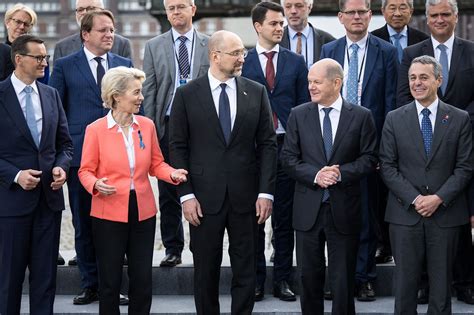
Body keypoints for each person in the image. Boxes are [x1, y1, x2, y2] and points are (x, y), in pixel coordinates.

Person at [169, 30, 277, 315]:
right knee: (205, 270)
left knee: (246, 268)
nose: (242, 58)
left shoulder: (256, 91)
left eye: (243, 52)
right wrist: (186, 195)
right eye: (236, 53)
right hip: (202, 200)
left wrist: (266, 192)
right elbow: (177, 148)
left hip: (248, 198)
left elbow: (267, 145)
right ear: (215, 56)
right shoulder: (186, 94)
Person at [78, 66, 187, 314]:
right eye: (136, 92)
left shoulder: (146, 126)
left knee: (142, 279)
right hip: (107, 213)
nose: (141, 97)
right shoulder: (95, 130)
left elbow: (156, 164)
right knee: (109, 281)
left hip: (143, 212)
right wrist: (95, 184)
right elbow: (85, 171)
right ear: (116, 96)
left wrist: (172, 174)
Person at [49, 10, 133, 306]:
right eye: (103, 31)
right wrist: (60, 155)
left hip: (120, 157)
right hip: (81, 157)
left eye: (112, 30)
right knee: (84, 222)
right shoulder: (64, 65)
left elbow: (136, 107)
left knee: (117, 226)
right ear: (86, 34)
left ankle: (115, 286)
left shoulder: (124, 65)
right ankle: (90, 284)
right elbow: (56, 113)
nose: (110, 35)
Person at [282, 58, 377, 314]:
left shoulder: (361, 116)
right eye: (309, 82)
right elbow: (288, 159)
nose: (310, 87)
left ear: (336, 83)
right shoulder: (298, 115)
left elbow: (370, 159)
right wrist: (316, 175)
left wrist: (339, 173)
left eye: (316, 82)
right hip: (307, 211)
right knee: (308, 278)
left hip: (344, 209)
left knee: (343, 280)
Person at [380, 55, 472, 314]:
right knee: (405, 289)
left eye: (423, 77)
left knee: (441, 291)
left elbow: (465, 167)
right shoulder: (394, 119)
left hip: (446, 214)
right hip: (405, 215)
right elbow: (387, 166)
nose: (417, 83)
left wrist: (438, 198)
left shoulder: (459, 118)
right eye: (412, 77)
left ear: (438, 80)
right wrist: (415, 199)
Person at [396, 0, 474, 304]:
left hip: (465, 140)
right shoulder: (411, 54)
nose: (439, 19)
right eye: (434, 15)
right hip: (421, 144)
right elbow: (403, 96)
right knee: (423, 217)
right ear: (426, 19)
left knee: (458, 212)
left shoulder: (471, 49)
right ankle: (425, 282)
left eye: (445, 14)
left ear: (455, 17)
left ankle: (465, 280)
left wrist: (455, 120)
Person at [320, 0, 398, 301]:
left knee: (365, 215)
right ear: (340, 17)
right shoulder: (329, 51)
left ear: (370, 15)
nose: (356, 17)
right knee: (332, 216)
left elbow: (391, 103)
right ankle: (338, 278)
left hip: (369, 146)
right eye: (350, 12)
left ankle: (364, 277)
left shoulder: (387, 52)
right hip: (333, 143)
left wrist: (384, 150)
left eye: (362, 12)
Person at [0, 34, 73, 315]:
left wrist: (61, 166)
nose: (45, 63)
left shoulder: (51, 94)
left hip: (48, 204)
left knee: (45, 282)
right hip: (11, 205)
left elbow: (65, 144)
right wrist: (16, 175)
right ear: (19, 60)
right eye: (39, 58)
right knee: (8, 281)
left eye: (46, 57)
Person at [241, 1, 309, 302]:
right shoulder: (243, 62)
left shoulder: (296, 62)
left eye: (281, 23)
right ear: (258, 26)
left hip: (287, 148)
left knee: (284, 217)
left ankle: (282, 279)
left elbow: (306, 107)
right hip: (253, 150)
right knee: (254, 218)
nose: (280, 28)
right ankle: (255, 279)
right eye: (274, 24)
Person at [142, 0, 209, 267]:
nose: (176, 12)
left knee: (203, 187)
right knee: (169, 189)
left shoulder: (210, 44)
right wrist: (150, 129)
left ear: (193, 9)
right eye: (171, 8)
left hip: (203, 127)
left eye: (181, 6)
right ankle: (173, 248)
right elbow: (149, 90)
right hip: (168, 126)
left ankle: (201, 245)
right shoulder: (153, 46)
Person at [53, 0, 132, 63]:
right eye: (80, 10)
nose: (84, 13)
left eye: (91, 9)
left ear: (103, 12)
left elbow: (129, 80)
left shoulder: (122, 44)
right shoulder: (62, 47)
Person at [280, 0, 335, 68]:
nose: (293, 11)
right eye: (288, 6)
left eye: (299, 6)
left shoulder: (328, 41)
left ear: (309, 7)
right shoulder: (274, 39)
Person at [4, 3, 49, 84]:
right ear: (7, 22)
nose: (22, 27)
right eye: (18, 22)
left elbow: (43, 86)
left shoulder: (40, 57)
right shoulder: (1, 52)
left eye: (26, 24)